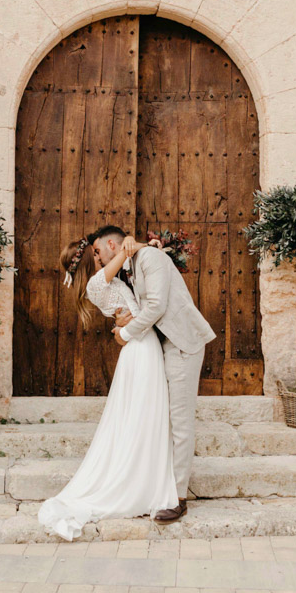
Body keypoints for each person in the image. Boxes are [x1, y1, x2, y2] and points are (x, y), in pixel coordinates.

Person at [36, 232, 179, 540]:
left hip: (140, 346)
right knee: (143, 415)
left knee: (143, 416)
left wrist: (145, 246)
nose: (101, 255)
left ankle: (144, 477)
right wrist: (132, 244)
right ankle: (141, 482)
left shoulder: (108, 283)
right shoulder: (96, 284)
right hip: (139, 349)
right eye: (97, 253)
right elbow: (124, 255)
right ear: (91, 259)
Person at [92, 225, 216, 525]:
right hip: (163, 347)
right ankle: (160, 485)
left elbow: (158, 305)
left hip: (182, 344)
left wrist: (125, 332)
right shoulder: (136, 262)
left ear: (112, 244)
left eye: (98, 250)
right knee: (164, 419)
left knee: (180, 421)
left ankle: (179, 497)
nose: (98, 257)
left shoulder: (149, 258)